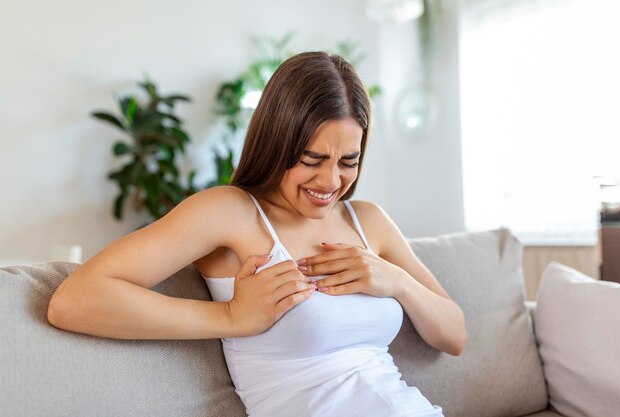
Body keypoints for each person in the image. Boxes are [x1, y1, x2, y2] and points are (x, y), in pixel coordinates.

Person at [47, 51, 467, 417]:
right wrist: (230, 317)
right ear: (276, 142)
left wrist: (395, 279)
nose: (330, 180)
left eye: (348, 161)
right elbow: (74, 301)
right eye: (312, 159)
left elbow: (454, 335)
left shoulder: (367, 221)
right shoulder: (231, 212)